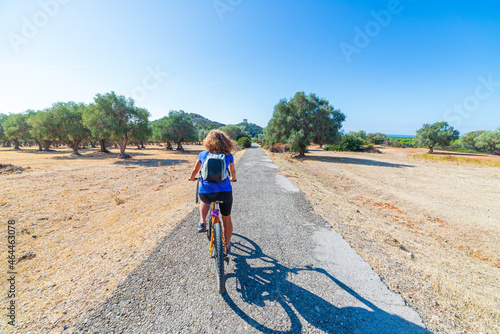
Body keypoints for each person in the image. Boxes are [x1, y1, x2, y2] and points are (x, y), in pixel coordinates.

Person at [189, 130, 237, 253]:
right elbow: (233, 172)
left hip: (207, 191)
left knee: (204, 200)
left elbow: (195, 170)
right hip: (225, 191)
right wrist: (233, 179)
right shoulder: (228, 155)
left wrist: (192, 178)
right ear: (226, 142)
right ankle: (227, 244)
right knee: (226, 219)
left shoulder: (203, 154)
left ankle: (202, 221)